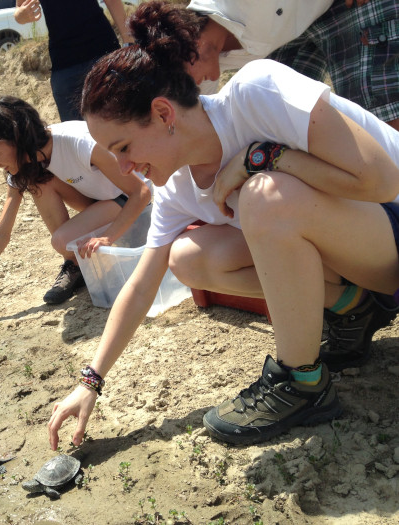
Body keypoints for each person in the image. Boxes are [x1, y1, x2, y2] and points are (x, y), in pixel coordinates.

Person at [47, 14, 399, 448]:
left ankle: (302, 382)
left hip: (390, 227)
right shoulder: (176, 186)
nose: (123, 168)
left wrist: (263, 158)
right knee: (189, 257)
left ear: (163, 112)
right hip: (363, 259)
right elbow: (140, 287)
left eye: (123, 148)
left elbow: (384, 180)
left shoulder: (255, 93)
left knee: (263, 197)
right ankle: (355, 307)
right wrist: (90, 382)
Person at [0, 96, 151, 323]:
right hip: (101, 201)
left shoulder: (77, 142)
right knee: (37, 181)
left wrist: (108, 237)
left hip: (136, 202)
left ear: (18, 140)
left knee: (62, 241)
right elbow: (2, 232)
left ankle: (77, 260)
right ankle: (76, 266)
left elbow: (141, 193)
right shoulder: (26, 163)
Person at [178, 0, 399, 131]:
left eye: (182, 79)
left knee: (381, 114)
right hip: (300, 26)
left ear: (189, 46)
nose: (189, 88)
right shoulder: (215, 60)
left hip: (348, 5)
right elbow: (195, 121)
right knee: (281, 125)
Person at [14, 0, 130, 121]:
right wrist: (21, 15)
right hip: (65, 66)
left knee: (121, 126)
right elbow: (19, 10)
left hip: (103, 54)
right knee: (78, 135)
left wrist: (129, 42)